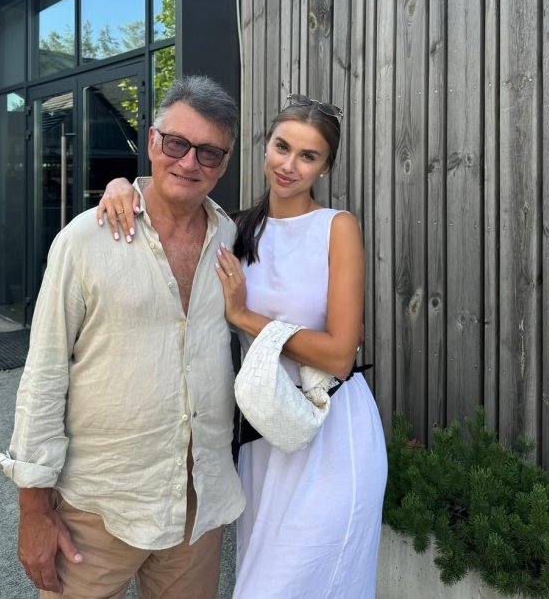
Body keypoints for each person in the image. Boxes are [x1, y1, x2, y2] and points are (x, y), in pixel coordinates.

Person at [98, 93, 388, 598]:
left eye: (308, 156)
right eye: (282, 147)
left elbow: (341, 355)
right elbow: (169, 208)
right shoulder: (233, 229)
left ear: (325, 166)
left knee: (304, 582)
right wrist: (121, 185)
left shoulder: (336, 228)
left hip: (330, 429)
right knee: (259, 577)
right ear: (265, 146)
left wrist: (245, 317)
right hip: (265, 434)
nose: (289, 165)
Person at [0, 75, 245, 599]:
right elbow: (44, 375)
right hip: (99, 505)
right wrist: (33, 511)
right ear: (152, 142)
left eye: (208, 152)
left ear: (223, 165)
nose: (189, 162)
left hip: (195, 507)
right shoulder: (85, 240)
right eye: (175, 143)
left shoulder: (230, 237)